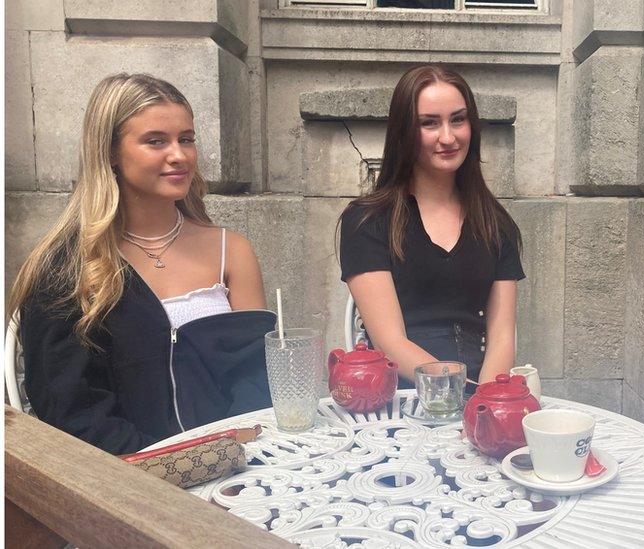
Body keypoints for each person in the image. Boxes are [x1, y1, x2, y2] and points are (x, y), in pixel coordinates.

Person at [9, 73, 274, 455]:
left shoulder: (231, 251)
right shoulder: (65, 270)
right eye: (155, 141)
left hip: (242, 460)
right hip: (128, 478)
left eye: (186, 139)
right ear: (111, 152)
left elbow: (256, 375)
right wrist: (171, 467)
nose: (179, 155)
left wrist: (236, 453)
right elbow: (72, 412)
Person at [339, 65, 524, 393]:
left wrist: (483, 402)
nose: (449, 137)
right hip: (401, 397)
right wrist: (456, 393)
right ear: (404, 132)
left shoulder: (496, 224)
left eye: (458, 119)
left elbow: (502, 339)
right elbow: (389, 341)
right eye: (429, 123)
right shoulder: (367, 220)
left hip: (479, 392)